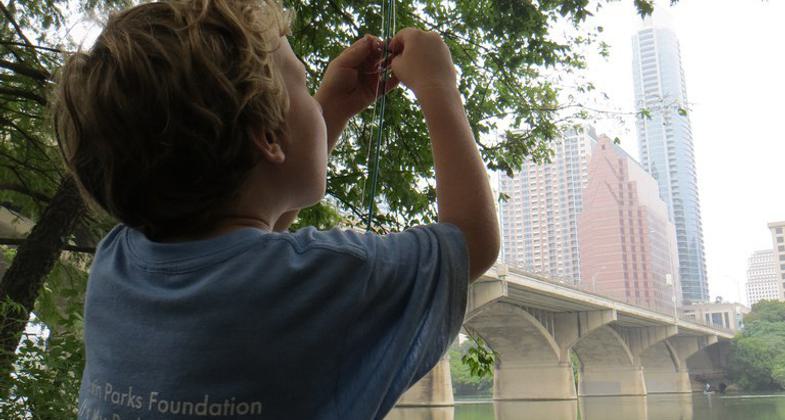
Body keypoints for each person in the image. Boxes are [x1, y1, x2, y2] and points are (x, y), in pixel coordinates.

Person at [52, 0, 499, 419]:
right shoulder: (337, 272)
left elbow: (245, 245)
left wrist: (333, 108)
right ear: (267, 137)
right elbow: (470, 242)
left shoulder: (117, 264)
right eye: (303, 84)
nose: (313, 96)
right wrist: (439, 87)